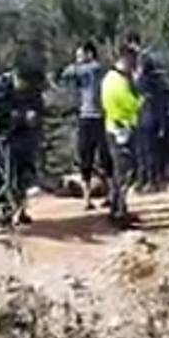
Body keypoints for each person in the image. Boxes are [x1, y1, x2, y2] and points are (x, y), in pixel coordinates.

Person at [0, 60, 44, 224]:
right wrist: (19, 115)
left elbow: (38, 105)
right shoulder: (0, 86)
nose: (26, 88)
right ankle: (4, 212)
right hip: (5, 135)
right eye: (23, 83)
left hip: (25, 134)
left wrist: (33, 116)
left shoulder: (32, 88)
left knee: (23, 174)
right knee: (6, 175)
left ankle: (20, 210)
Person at [60, 42, 109, 211]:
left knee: (105, 157)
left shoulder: (96, 68)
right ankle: (87, 198)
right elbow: (66, 75)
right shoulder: (82, 72)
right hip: (85, 117)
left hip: (100, 118)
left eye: (81, 55)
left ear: (90, 54)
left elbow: (70, 71)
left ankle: (111, 195)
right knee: (85, 157)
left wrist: (75, 66)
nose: (78, 60)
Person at [101, 44, 142, 229]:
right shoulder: (117, 82)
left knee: (122, 173)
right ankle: (118, 212)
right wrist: (141, 98)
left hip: (118, 128)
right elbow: (131, 104)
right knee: (124, 174)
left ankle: (120, 208)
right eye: (133, 62)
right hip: (120, 131)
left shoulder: (112, 78)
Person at [128, 33, 169, 192]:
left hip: (148, 110)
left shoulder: (147, 63)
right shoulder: (133, 66)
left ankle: (153, 180)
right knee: (140, 149)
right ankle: (143, 178)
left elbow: (155, 91)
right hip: (137, 111)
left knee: (149, 148)